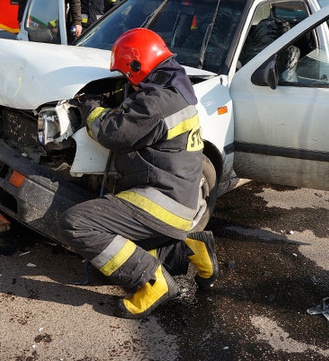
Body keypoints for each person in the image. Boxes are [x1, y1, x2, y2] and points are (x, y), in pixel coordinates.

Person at [60, 28, 218, 319]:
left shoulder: (157, 101)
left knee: (77, 223)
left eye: (125, 71)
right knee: (122, 251)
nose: (124, 78)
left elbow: (112, 132)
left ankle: (152, 283)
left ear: (136, 65)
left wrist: (90, 106)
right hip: (182, 199)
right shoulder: (175, 85)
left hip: (162, 202)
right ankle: (193, 248)